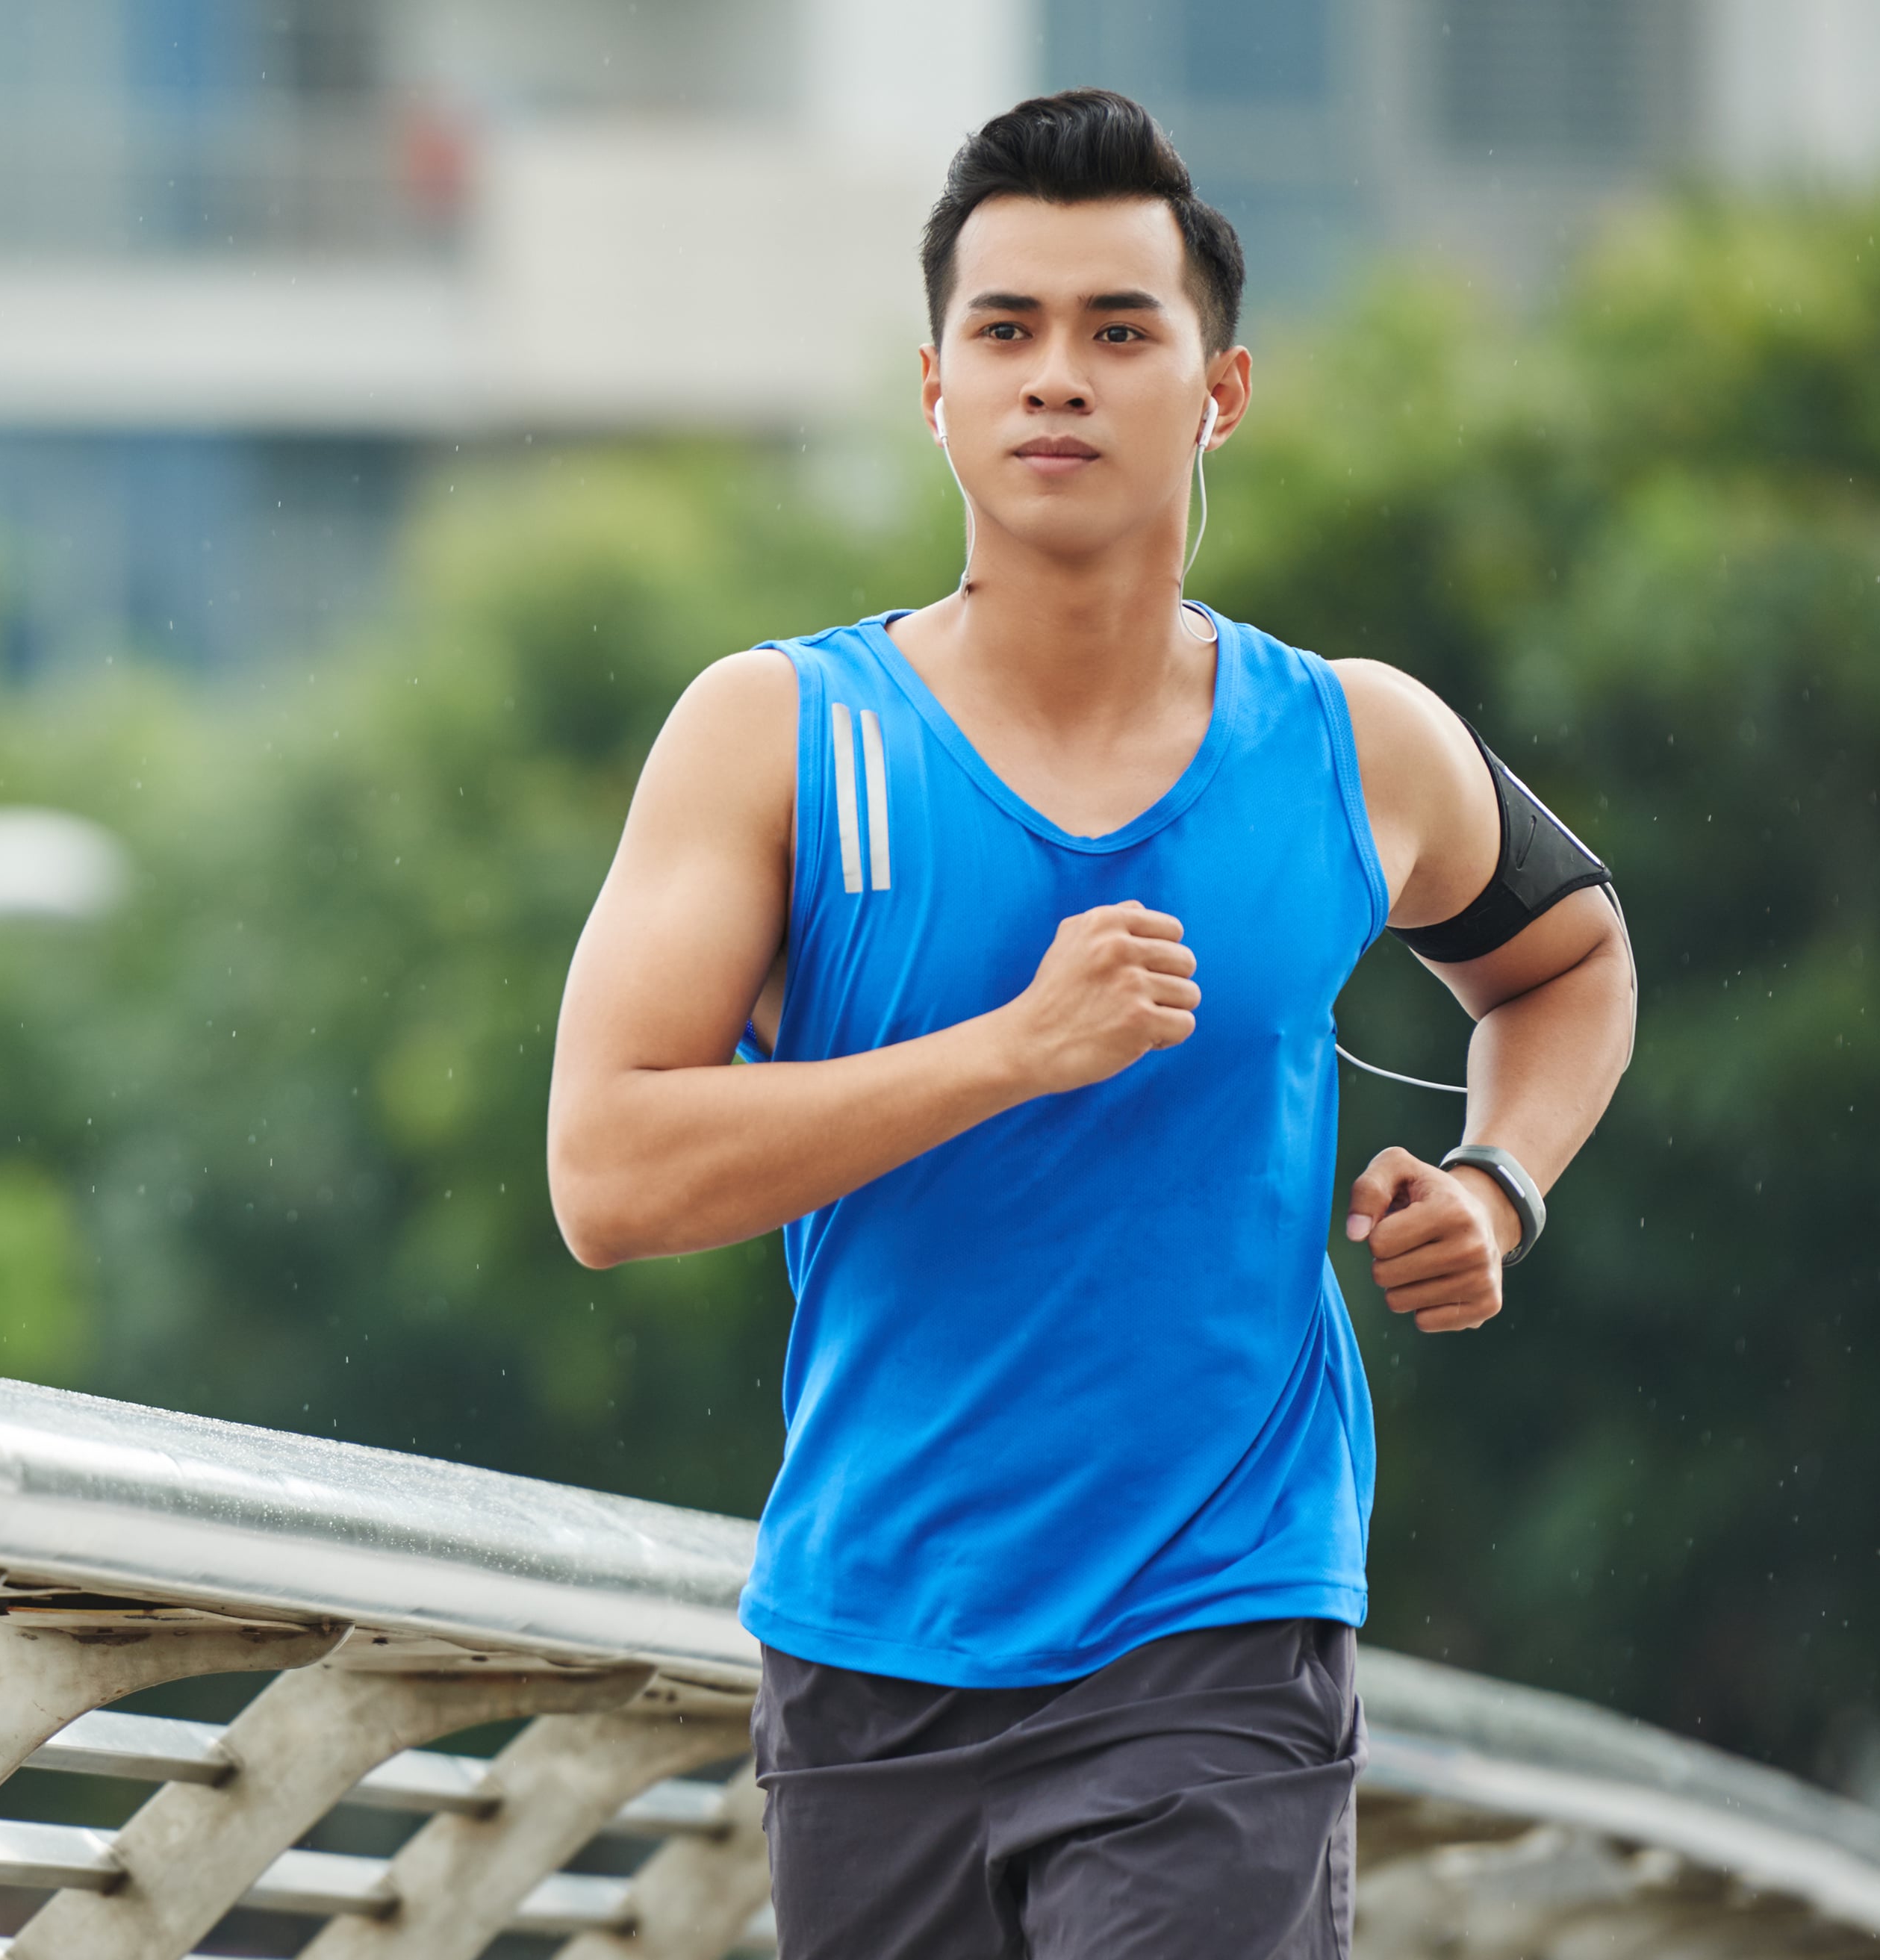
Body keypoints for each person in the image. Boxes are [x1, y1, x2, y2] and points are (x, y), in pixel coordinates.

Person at [542, 90, 1636, 1959]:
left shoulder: (1357, 743)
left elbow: (1570, 959)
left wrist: (1496, 1178)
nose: (1058, 374)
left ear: (1219, 390)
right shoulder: (778, 737)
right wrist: (1009, 1051)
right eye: (1008, 329)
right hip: (870, 1645)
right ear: (935, 389)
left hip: (1219, 1631)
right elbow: (606, 1171)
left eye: (1120, 330)